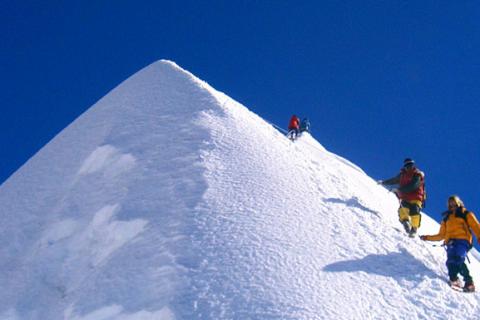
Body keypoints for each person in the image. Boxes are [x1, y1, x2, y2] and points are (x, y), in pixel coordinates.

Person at [420, 195, 480, 292]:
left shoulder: (465, 214)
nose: (452, 206)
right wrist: (427, 237)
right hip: (450, 243)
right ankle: (454, 279)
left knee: (458, 257)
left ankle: (469, 282)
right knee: (450, 262)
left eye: (454, 204)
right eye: (450, 205)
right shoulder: (446, 219)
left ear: (458, 203)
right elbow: (441, 235)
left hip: (462, 240)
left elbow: (475, 225)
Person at [379, 158, 425, 237]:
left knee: (414, 210)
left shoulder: (417, 174)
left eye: (410, 165)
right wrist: (384, 182)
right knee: (403, 209)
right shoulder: (402, 175)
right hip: (405, 197)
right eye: (407, 165)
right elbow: (394, 180)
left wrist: (399, 190)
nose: (408, 167)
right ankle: (405, 222)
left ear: (413, 165)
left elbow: (413, 185)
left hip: (416, 197)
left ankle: (414, 228)